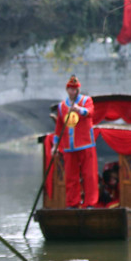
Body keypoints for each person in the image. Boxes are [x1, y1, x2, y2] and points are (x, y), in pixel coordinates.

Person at [53, 75, 98, 208]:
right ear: (67, 90)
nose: (73, 91)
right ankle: (72, 202)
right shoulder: (61, 106)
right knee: (71, 176)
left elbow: (90, 112)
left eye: (75, 89)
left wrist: (79, 109)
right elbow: (59, 128)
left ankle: (90, 203)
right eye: (70, 89)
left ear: (78, 90)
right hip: (69, 146)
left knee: (89, 175)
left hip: (85, 144)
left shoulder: (86, 100)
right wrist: (55, 145)